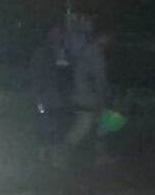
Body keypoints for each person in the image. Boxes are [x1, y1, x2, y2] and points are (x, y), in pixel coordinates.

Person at [61, 14, 108, 167]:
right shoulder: (90, 50)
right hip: (86, 95)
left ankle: (97, 156)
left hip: (84, 93)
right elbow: (97, 75)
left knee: (96, 124)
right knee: (84, 125)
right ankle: (62, 151)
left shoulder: (85, 48)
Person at [29, 24, 72, 165]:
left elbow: (64, 72)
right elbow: (36, 76)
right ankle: (42, 156)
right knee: (43, 124)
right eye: (55, 33)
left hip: (56, 96)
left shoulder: (60, 52)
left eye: (60, 34)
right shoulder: (41, 52)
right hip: (44, 96)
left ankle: (53, 157)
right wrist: (38, 99)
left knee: (55, 125)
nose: (58, 37)